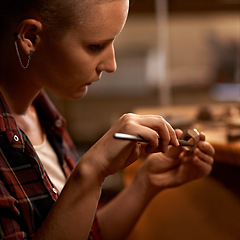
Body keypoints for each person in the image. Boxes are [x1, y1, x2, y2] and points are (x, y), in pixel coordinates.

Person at [0, 0, 215, 239]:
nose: (111, 65)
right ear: (30, 36)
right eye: (95, 46)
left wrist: (145, 183)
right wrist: (91, 172)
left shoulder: (44, 115)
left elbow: (86, 233)